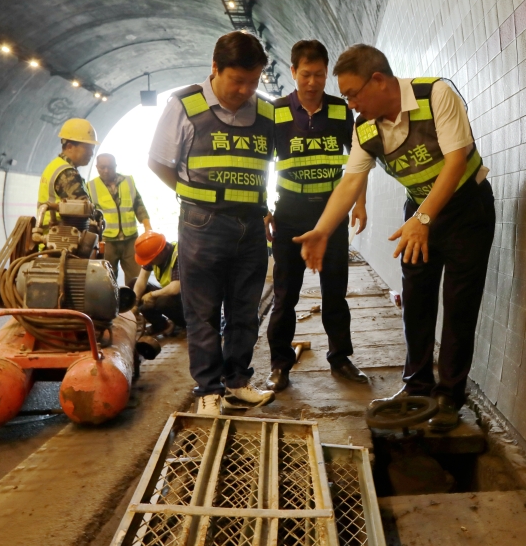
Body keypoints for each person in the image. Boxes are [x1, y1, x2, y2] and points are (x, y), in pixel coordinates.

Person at [294, 44, 495, 431]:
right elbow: (350, 181)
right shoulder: (365, 128)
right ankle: (417, 385)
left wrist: (424, 218)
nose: (351, 104)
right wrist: (322, 229)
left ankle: (449, 396)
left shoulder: (435, 95)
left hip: (466, 210)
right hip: (417, 214)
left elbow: (456, 161)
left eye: (353, 94)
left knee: (459, 304)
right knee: (416, 300)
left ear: (379, 81)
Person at [148, 31, 276, 415]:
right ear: (215, 68)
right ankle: (208, 390)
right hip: (203, 224)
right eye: (237, 80)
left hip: (250, 225)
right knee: (202, 311)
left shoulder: (266, 111)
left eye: (253, 81)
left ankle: (237, 382)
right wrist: (194, 195)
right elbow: (159, 161)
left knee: (245, 310)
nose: (245, 90)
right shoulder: (184, 105)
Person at [264, 40, 368, 392]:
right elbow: (260, 162)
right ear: (293, 72)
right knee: (285, 295)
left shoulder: (341, 110)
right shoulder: (276, 112)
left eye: (320, 75)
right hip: (289, 215)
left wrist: (360, 202)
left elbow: (359, 158)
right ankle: (280, 364)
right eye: (306, 74)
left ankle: (340, 357)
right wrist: (264, 208)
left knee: (335, 292)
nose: (312, 82)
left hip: (330, 216)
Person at [88, 153, 152, 282]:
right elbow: (89, 214)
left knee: (136, 277)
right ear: (96, 167)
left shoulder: (128, 182)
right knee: (106, 279)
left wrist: (147, 226)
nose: (106, 170)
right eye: (102, 167)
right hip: (107, 241)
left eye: (110, 167)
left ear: (116, 166)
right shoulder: (91, 186)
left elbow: (138, 205)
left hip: (130, 239)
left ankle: (133, 296)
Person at [37, 118, 98, 226]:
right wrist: (97, 215)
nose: (91, 153)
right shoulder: (67, 173)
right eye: (87, 148)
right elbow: (84, 210)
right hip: (64, 234)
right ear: (69, 147)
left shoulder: (55, 165)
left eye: (92, 148)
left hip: (50, 232)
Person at [130, 231, 184, 335]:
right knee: (133, 284)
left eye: (150, 260)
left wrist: (152, 295)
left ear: (161, 253)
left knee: (163, 301)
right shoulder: (155, 254)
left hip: (188, 301)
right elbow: (141, 280)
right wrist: (135, 303)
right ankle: (162, 325)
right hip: (173, 294)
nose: (149, 263)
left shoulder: (179, 255)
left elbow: (176, 288)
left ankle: (184, 325)